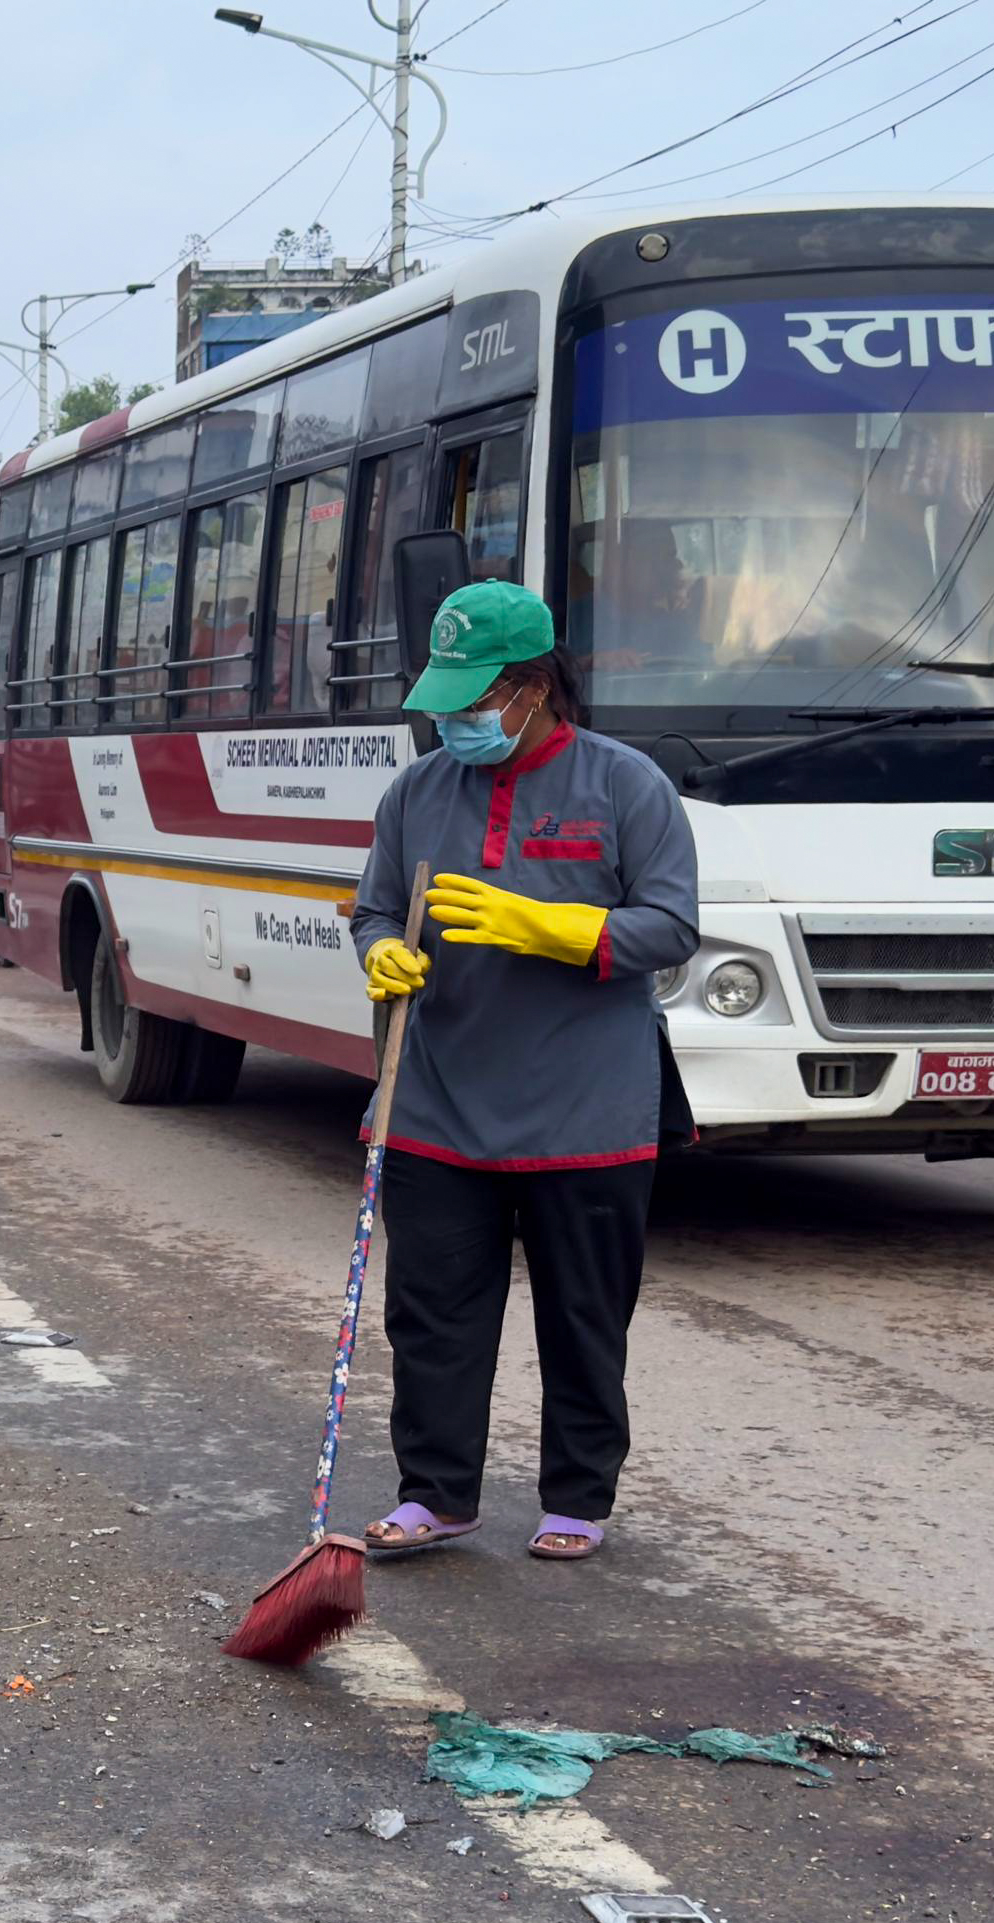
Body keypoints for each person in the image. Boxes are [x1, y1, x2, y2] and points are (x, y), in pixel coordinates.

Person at [346, 580, 698, 1565]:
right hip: (433, 1102)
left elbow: (669, 926)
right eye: (445, 700)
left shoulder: (627, 787)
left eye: (473, 700)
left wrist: (552, 926)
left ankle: (576, 1498)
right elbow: (374, 909)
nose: (454, 720)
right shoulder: (414, 794)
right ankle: (435, 1493)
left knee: (583, 1317)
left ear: (532, 687)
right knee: (430, 1318)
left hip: (588, 1113)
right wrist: (377, 952)